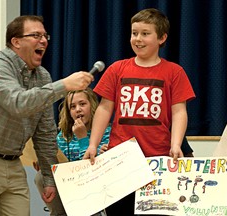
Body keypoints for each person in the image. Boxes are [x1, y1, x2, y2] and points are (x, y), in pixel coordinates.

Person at [0, 15, 94, 216]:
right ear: (15, 42)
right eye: (35, 35)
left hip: (12, 164)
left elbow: (44, 133)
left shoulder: (42, 76)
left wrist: (48, 178)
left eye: (45, 36)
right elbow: (18, 103)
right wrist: (64, 85)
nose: (43, 41)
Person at [83, 8, 195, 215]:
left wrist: (176, 144)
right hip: (120, 160)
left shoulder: (174, 72)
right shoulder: (117, 69)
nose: (138, 39)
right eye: (134, 33)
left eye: (145, 33)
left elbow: (179, 112)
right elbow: (104, 109)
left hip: (157, 158)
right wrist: (93, 144)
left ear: (162, 38)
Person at [34, 87, 111, 216]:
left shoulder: (106, 132)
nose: (78, 109)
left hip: (95, 188)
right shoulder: (63, 137)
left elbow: (89, 170)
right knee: (42, 176)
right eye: (72, 107)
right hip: (71, 189)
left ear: (92, 106)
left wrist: (82, 138)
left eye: (82, 104)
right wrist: (46, 164)